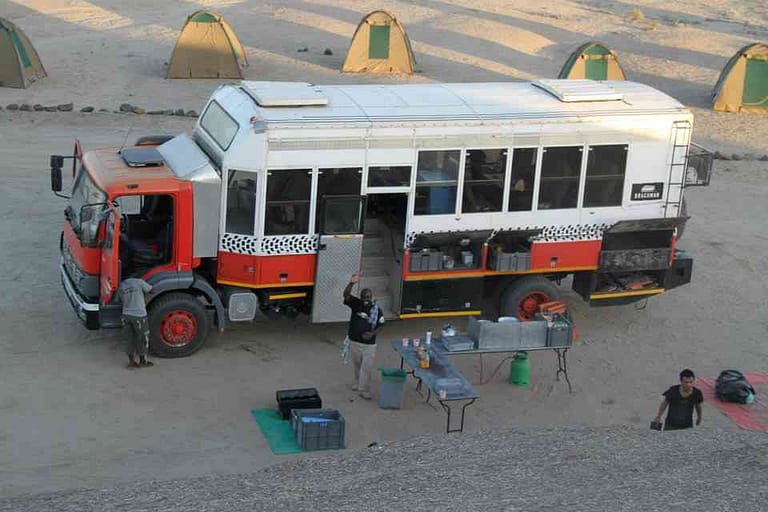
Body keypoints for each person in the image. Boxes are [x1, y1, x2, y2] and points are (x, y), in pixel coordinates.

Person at [343, 272, 385, 400]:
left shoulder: (376, 310)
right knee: (357, 364)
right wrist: (351, 283)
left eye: (368, 297)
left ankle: (364, 389)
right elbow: (346, 295)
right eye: (364, 297)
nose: (365, 299)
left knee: (366, 367)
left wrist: (372, 333)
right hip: (354, 341)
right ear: (361, 297)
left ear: (371, 297)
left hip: (369, 345)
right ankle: (357, 382)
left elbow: (382, 325)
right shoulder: (356, 304)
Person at [119, 277, 154, 369]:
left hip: (125, 315)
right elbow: (151, 290)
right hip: (139, 316)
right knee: (142, 338)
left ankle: (131, 363)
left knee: (129, 339)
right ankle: (143, 361)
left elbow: (119, 300)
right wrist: (145, 302)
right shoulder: (139, 282)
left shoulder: (121, 285)